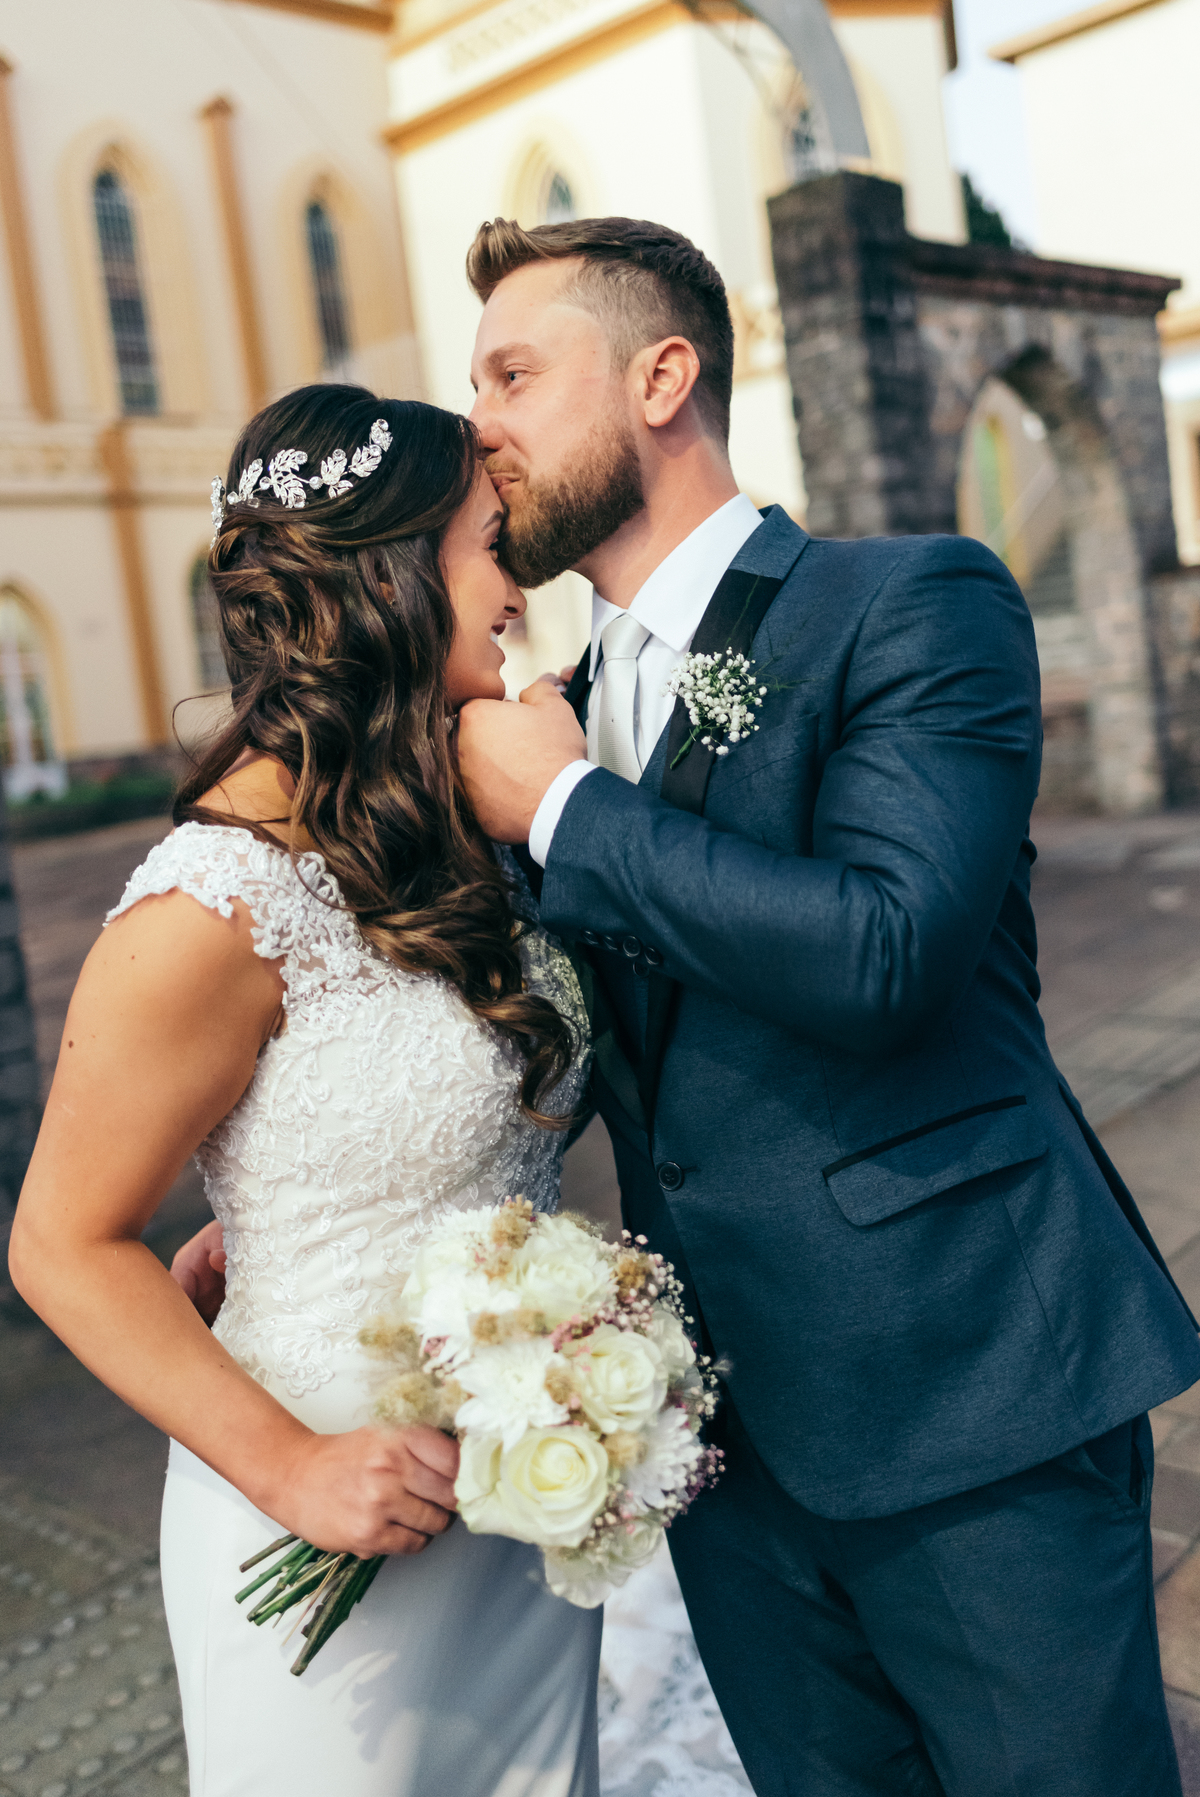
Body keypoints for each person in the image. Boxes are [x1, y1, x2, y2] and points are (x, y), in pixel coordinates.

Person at [444, 217, 1200, 1795]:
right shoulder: (556, 713)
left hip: (964, 1389)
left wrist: (575, 816)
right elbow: (564, 1039)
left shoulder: (914, 601)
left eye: (515, 372)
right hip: (714, 1434)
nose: (483, 426)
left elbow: (885, 946)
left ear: (665, 375)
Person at [7, 385, 600, 1797]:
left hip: (519, 1514)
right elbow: (59, 1239)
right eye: (487, 541)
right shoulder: (213, 905)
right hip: (327, 1524)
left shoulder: (464, 821)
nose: (518, 577)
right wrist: (291, 1468)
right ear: (387, 577)